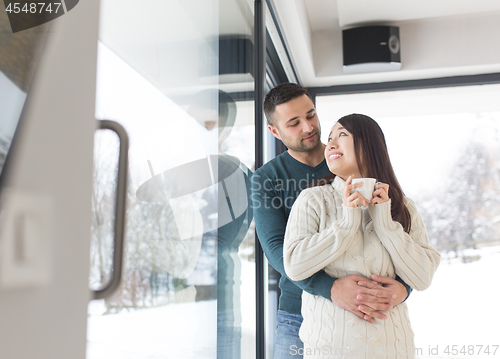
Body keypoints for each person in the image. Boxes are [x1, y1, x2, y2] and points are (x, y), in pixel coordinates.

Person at [251, 83, 413, 359]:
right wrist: (330, 289)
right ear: (274, 132)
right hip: (296, 314)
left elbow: (392, 226)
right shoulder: (267, 178)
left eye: (311, 115)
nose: (308, 127)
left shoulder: (349, 158)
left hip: (369, 309)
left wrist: (404, 287)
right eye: (294, 123)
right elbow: (277, 248)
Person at [283, 113, 441, 358]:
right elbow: (294, 265)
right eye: (330, 138)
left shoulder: (403, 206)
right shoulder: (313, 199)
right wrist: (347, 223)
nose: (331, 144)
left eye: (342, 135)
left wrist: (385, 224)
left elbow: (422, 277)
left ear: (369, 144)